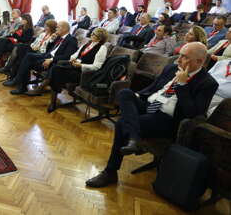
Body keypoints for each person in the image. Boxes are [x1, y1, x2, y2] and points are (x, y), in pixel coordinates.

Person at [85, 42, 218, 188]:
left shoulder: (208, 83)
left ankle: (110, 172)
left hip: (166, 118)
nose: (178, 60)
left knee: (123, 123)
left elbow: (192, 113)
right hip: (149, 104)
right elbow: (153, 88)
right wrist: (138, 96)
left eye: (184, 57)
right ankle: (134, 138)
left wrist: (182, 85)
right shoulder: (171, 67)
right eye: (180, 55)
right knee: (125, 93)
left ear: (199, 61)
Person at [3, 21, 78, 95]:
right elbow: (50, 49)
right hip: (46, 55)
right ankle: (19, 82)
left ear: (64, 29)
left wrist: (51, 60)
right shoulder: (59, 37)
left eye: (58, 27)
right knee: (26, 55)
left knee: (28, 59)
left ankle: (19, 83)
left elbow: (67, 56)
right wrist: (51, 41)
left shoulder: (72, 39)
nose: (56, 29)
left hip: (53, 61)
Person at [46, 28, 109, 112]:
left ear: (100, 38)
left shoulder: (102, 48)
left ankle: (52, 101)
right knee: (55, 66)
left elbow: (97, 67)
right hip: (74, 66)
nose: (91, 35)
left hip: (83, 73)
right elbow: (75, 54)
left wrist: (81, 65)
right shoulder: (88, 44)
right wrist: (72, 59)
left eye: (94, 34)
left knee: (56, 70)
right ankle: (53, 97)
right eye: (92, 33)